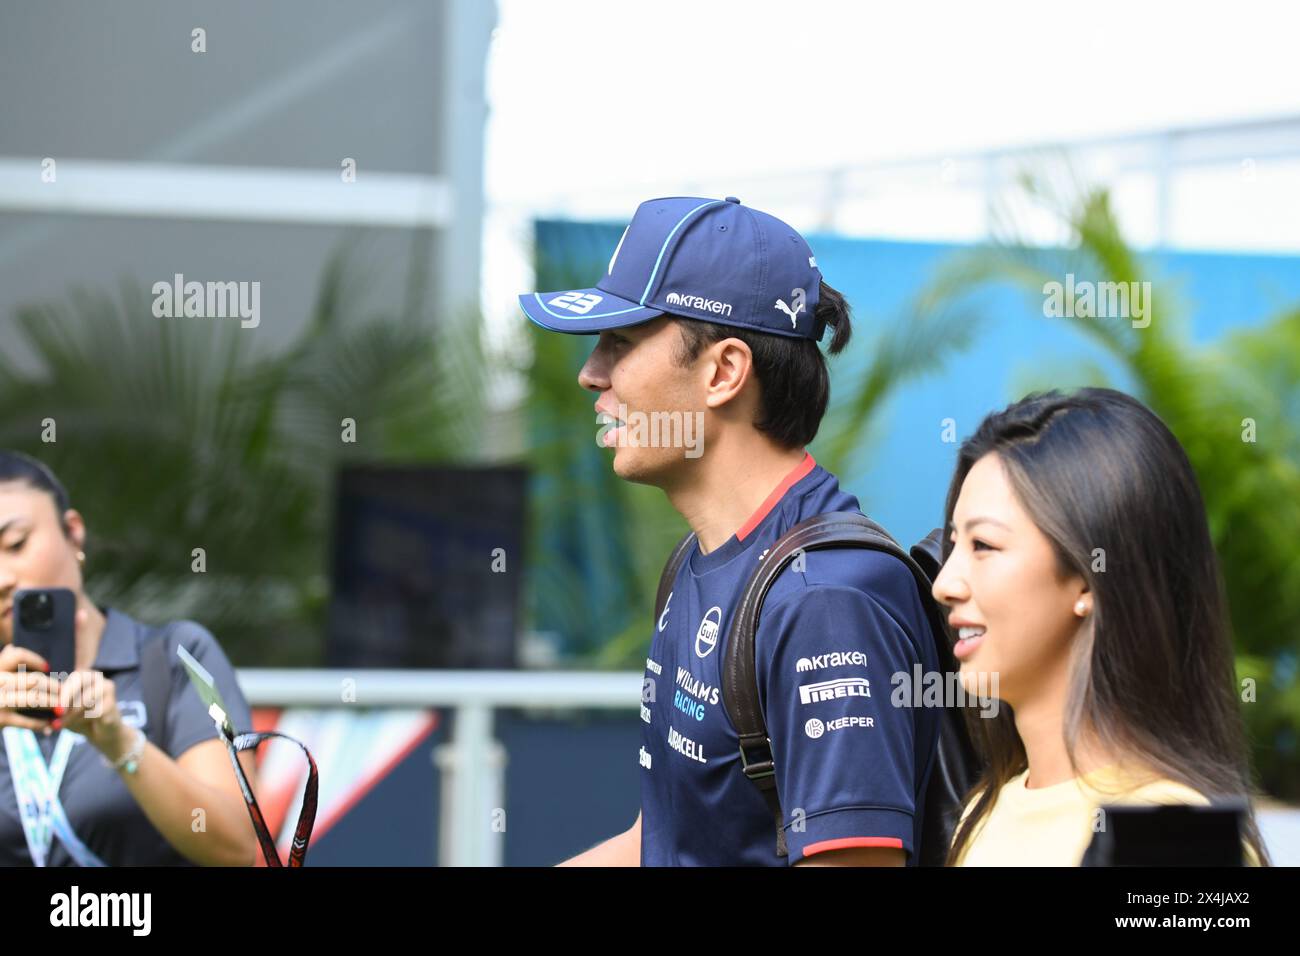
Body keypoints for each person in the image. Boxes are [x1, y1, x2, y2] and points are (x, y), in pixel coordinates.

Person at [520, 196, 941, 866]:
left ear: (723, 372)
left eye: (620, 343)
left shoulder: (826, 600)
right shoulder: (702, 559)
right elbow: (656, 845)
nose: (590, 374)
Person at [930, 389, 1270, 866]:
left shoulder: (1173, 841)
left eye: (983, 544)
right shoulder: (983, 814)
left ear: (1090, 577)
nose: (944, 584)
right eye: (954, 543)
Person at [0, 450, 259, 866]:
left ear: (73, 533)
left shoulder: (177, 658)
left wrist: (119, 741)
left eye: (16, 544)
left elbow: (240, 848)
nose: (3, 578)